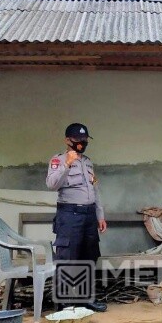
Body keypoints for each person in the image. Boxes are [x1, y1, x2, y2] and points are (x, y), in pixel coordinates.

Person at [46, 123, 108, 313]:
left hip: (89, 216)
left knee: (88, 257)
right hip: (69, 215)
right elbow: (51, 184)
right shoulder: (58, 160)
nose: (81, 143)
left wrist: (100, 215)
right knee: (68, 258)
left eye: (84, 140)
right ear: (67, 141)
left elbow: (95, 190)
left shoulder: (88, 162)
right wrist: (67, 164)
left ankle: (86, 299)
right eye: (77, 140)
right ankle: (65, 303)